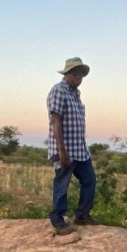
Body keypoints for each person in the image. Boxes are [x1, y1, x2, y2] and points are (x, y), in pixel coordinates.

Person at [46, 57, 98, 235]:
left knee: (89, 180)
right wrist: (62, 151)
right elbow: (55, 120)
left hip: (80, 150)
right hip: (65, 150)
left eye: (81, 74)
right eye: (75, 73)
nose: (79, 77)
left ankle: (82, 216)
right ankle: (58, 221)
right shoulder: (59, 90)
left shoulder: (75, 94)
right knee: (62, 184)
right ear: (67, 74)